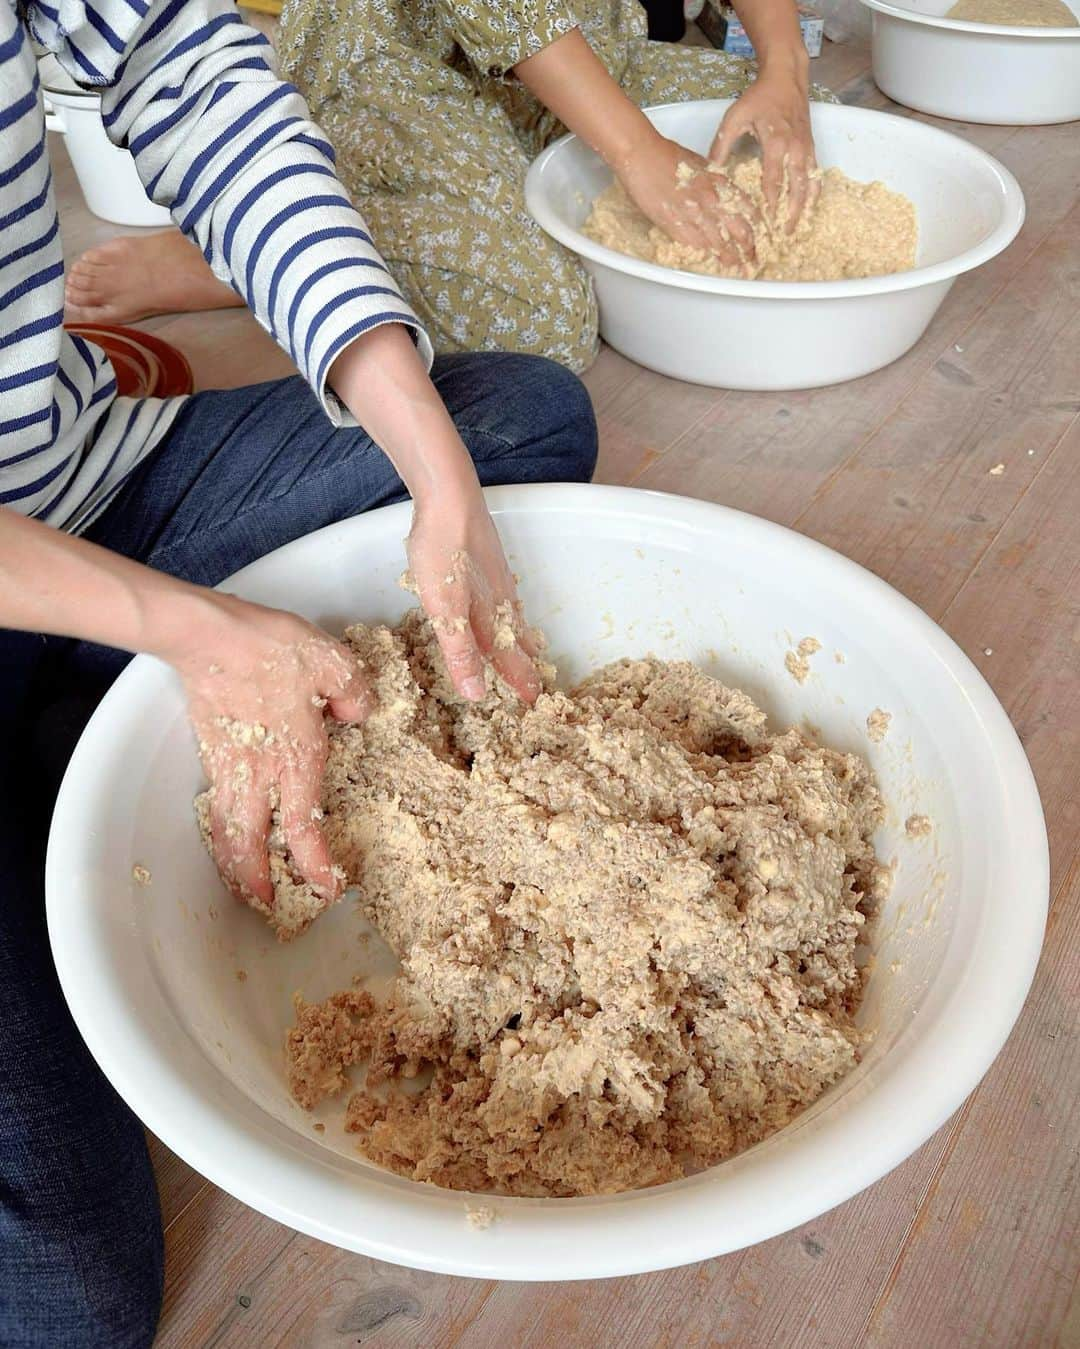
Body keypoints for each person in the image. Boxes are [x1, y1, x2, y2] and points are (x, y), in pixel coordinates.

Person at [0, 0, 598, 1341]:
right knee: (68, 1308)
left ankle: (83, 736)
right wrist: (195, 631)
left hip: (77, 483)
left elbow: (193, 76)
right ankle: (107, 721)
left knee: (515, 421)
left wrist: (434, 477)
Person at [65, 0, 835, 369]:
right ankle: (266, 234)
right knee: (548, 323)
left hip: (584, 44)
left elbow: (781, 76)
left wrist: (785, 72)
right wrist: (635, 151)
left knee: (801, 129)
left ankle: (320, 224)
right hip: (401, 54)